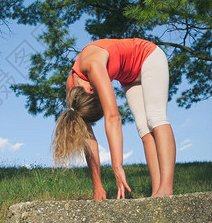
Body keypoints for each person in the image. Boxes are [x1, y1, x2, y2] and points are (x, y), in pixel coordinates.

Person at [52, 38, 176, 200]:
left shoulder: (93, 65)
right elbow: (89, 140)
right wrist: (98, 187)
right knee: (143, 128)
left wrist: (117, 167)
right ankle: (156, 192)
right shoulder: (73, 93)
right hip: (129, 78)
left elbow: (113, 118)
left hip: (148, 56)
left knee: (155, 118)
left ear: (90, 91)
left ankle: (166, 188)